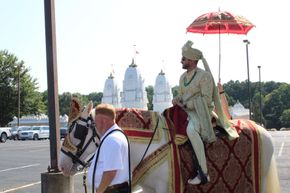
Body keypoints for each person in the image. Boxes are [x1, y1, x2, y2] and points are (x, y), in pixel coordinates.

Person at [172, 40, 216, 185]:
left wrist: (186, 104)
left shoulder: (204, 76)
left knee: (191, 130)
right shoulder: (182, 77)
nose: (181, 61)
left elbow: (206, 100)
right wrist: (177, 99)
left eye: (183, 58)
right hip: (184, 110)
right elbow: (182, 94)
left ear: (191, 59)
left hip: (201, 112)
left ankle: (203, 173)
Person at [88, 103, 130, 193]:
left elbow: (110, 172)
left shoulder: (112, 140)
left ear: (103, 121)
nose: (95, 126)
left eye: (96, 123)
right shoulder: (116, 135)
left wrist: (99, 191)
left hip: (111, 190)